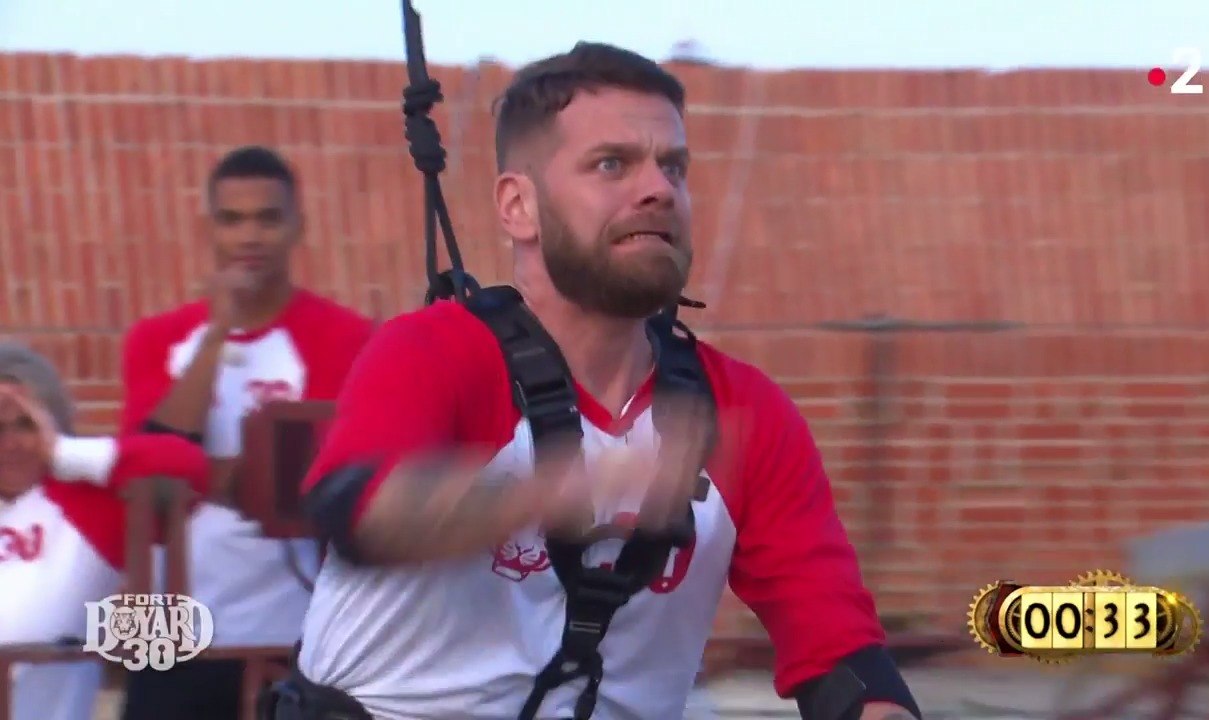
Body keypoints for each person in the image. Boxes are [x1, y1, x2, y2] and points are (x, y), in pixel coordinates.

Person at [277, 43, 921, 720]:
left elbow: (839, 654)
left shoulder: (742, 414)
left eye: (673, 166)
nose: (658, 189)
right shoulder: (435, 352)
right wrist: (557, 488)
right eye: (612, 164)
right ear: (518, 206)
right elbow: (361, 513)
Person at [116, 146, 375, 719]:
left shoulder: (347, 337)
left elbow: (334, 476)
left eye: (268, 218)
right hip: (167, 626)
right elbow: (150, 473)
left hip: (294, 626)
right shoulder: (156, 339)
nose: (250, 237)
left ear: (297, 227)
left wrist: (216, 475)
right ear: (209, 229)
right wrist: (217, 334)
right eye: (232, 220)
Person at [0, 342, 210, 720]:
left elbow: (187, 466)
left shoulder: (86, 502)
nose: (12, 444)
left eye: (26, 425)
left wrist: (64, 452)